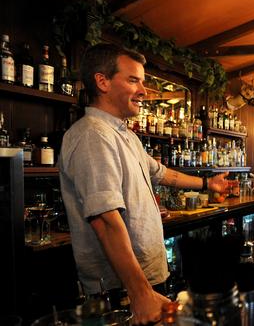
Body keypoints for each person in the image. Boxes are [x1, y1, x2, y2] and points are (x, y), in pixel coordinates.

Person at [59, 44, 233, 324]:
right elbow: (104, 220)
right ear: (102, 81)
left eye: (143, 81)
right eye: (133, 80)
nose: (144, 91)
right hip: (122, 290)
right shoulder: (93, 136)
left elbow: (163, 174)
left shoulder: (125, 135)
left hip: (143, 280)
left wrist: (206, 183)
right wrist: (139, 293)